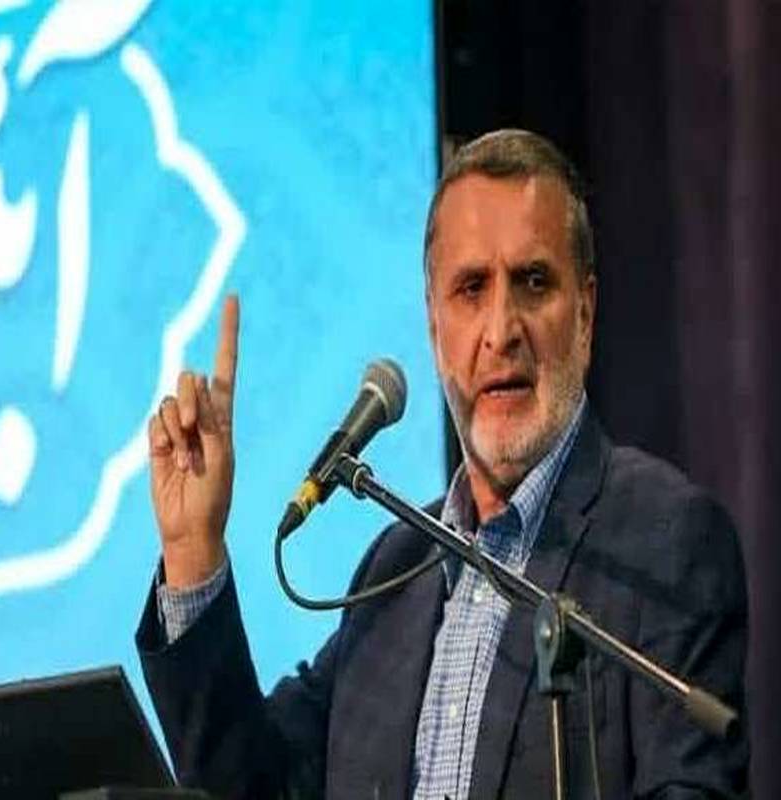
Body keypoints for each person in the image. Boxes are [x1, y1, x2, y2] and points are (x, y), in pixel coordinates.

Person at [136, 129, 748, 799]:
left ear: (585, 312)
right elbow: (254, 788)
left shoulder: (665, 542)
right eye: (471, 289)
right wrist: (192, 551)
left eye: (534, 282)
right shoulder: (393, 571)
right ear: (434, 328)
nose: (501, 331)